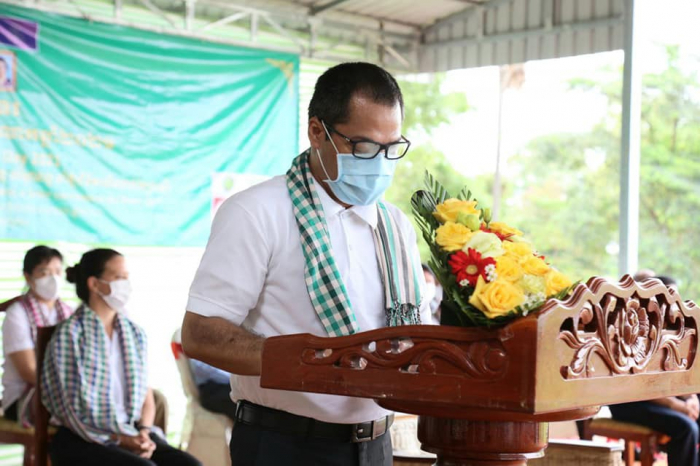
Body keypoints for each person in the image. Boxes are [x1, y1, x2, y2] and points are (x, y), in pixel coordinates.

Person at [182, 62, 431, 466]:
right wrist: (312, 361)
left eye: (391, 148)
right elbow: (200, 334)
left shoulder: (395, 225)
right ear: (317, 131)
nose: (380, 163)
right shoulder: (256, 212)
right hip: (285, 443)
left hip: (376, 444)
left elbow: (415, 332)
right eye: (364, 147)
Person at [41, 248, 201, 466]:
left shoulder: (134, 333)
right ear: (94, 284)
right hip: (81, 437)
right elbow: (69, 410)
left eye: (127, 277)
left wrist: (143, 432)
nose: (126, 284)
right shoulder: (70, 335)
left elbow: (146, 397)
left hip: (129, 431)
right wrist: (120, 440)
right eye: (119, 278)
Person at [609, 275, 698, 466]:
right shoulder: (632, 326)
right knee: (686, 427)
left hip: (663, 396)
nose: (675, 303)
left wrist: (691, 397)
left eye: (676, 297)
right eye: (669, 296)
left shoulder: (674, 326)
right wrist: (676, 405)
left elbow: (682, 369)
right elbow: (640, 384)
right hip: (630, 401)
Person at [2, 245, 73, 425]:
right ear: (28, 277)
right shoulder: (17, 313)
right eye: (44, 272)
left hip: (62, 392)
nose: (53, 278)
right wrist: (70, 389)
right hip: (24, 397)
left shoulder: (68, 313)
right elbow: (28, 371)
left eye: (57, 271)